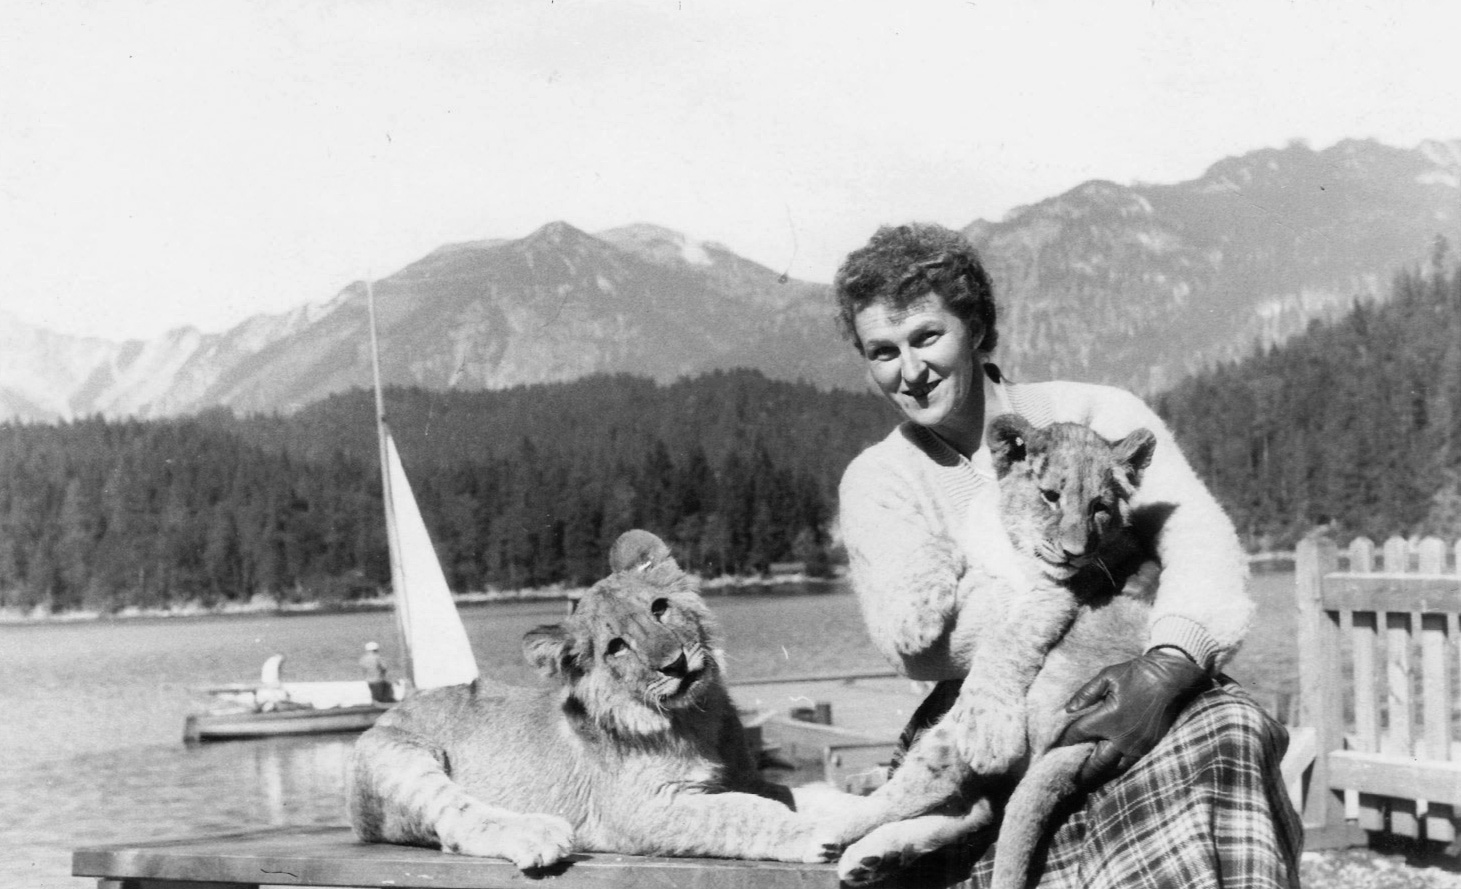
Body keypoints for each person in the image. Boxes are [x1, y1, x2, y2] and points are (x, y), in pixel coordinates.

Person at [834, 223, 1302, 887]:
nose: (909, 371)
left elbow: (1198, 540)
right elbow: (917, 645)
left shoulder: (1095, 410)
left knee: (1228, 728)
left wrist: (1168, 664)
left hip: (1129, 676)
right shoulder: (880, 477)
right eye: (882, 351)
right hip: (985, 715)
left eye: (927, 336)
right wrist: (1065, 592)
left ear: (974, 326)